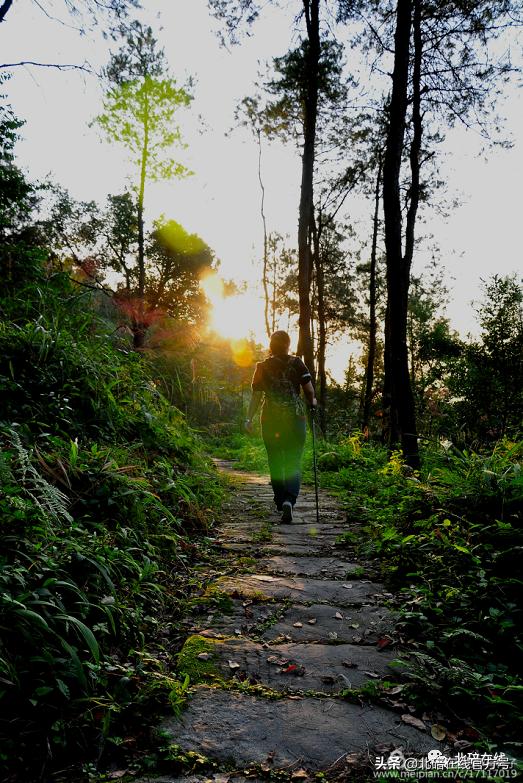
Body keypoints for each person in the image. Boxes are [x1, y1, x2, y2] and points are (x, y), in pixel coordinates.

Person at [244, 330, 317, 522]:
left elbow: (256, 396)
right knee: (293, 460)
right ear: (288, 344)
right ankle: (289, 500)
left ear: (271, 346)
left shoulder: (262, 367)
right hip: (295, 419)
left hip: (271, 419)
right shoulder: (297, 363)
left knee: (275, 460)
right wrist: (313, 403)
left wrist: (248, 419)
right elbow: (309, 391)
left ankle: (279, 500)